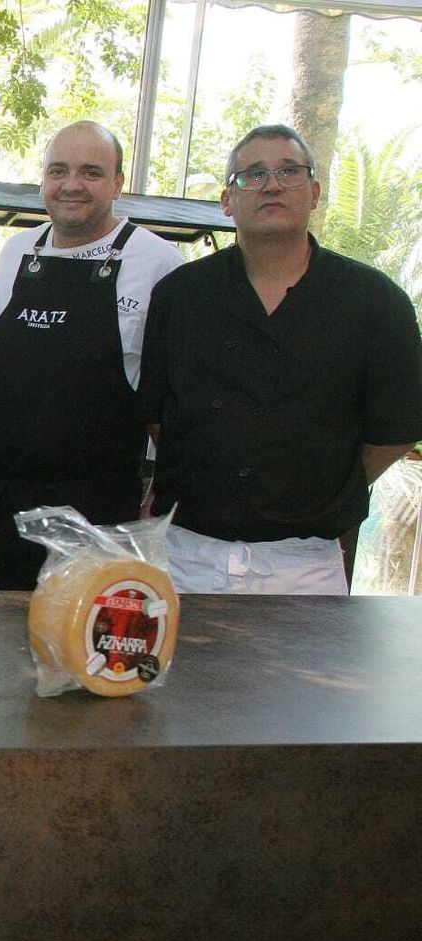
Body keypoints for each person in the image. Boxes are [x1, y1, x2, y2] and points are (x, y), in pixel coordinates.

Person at [138, 124, 422, 594]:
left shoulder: (375, 302)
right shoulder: (179, 296)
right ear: (227, 201)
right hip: (186, 556)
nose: (271, 185)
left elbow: (396, 431)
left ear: (315, 192)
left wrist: (325, 487)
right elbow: (157, 417)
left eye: (289, 171)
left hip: (307, 565)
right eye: (253, 174)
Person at [0, 120, 184, 590]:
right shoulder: (17, 251)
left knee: (76, 631)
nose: (72, 185)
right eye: (58, 171)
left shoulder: (158, 261)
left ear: (118, 183)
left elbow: (171, 398)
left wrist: (162, 490)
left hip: (96, 512)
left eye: (91, 172)